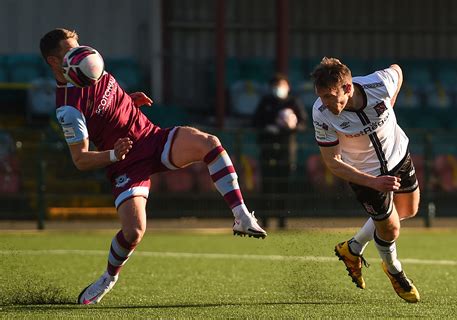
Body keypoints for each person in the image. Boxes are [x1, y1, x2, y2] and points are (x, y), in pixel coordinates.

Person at [39, 28, 267, 305]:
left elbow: (106, 104)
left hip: (151, 137)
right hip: (126, 164)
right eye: (68, 50)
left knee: (209, 142)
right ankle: (109, 277)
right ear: (53, 61)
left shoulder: (91, 64)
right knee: (134, 232)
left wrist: (128, 100)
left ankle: (241, 215)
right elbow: (80, 159)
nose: (79, 53)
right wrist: (113, 155)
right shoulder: (68, 107)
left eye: (78, 46)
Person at [310, 57, 420, 303]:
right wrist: (373, 182)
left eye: (330, 96)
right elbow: (332, 162)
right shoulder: (320, 113)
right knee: (391, 228)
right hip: (365, 175)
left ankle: (353, 248)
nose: (325, 103)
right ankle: (394, 270)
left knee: (408, 210)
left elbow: (398, 71)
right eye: (321, 96)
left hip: (399, 156)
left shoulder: (379, 84)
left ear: (348, 88)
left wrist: (391, 102)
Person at [252, 73, 307, 226]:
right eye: (275, 86)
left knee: (284, 185)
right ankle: (265, 219)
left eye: (281, 85)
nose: (278, 89)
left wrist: (291, 127)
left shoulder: (293, 102)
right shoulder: (265, 102)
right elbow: (255, 122)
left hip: (286, 150)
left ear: (287, 87)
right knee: (267, 185)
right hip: (268, 149)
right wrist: (268, 128)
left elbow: (303, 123)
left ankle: (283, 220)